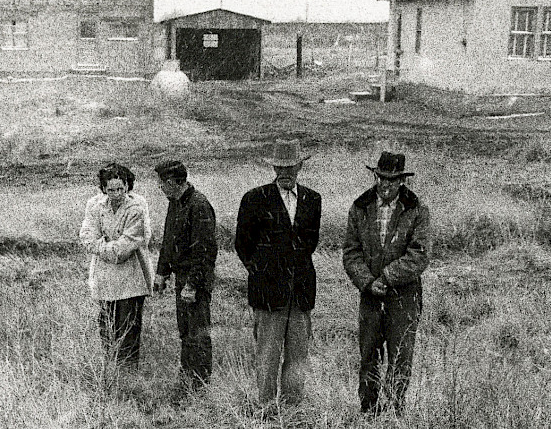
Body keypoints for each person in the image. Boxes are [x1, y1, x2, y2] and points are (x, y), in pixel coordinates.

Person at [342, 151, 431, 414]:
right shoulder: (360, 207)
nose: (385, 184)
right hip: (370, 294)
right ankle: (369, 411)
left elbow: (420, 254)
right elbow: (351, 252)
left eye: (392, 180)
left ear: (402, 181)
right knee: (369, 355)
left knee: (401, 355)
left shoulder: (417, 209)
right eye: (381, 178)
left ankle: (396, 411)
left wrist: (388, 277)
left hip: (404, 296)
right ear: (375, 176)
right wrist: (368, 282)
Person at [235, 139, 322, 407]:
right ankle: (265, 409)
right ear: (273, 166)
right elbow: (242, 244)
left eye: (291, 166)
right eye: (280, 166)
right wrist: (263, 272)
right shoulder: (254, 198)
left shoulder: (312, 199)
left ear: (300, 166)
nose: (285, 172)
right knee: (268, 355)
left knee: (298, 356)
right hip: (267, 292)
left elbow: (310, 243)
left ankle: (293, 411)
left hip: (301, 291)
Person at [79, 162, 154, 367]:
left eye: (120, 188)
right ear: (103, 188)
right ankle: (111, 367)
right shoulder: (95, 205)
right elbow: (86, 237)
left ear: (128, 186)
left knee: (128, 326)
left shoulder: (137, 206)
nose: (116, 193)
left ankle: (128, 371)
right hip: (104, 277)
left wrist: (103, 246)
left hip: (132, 276)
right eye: (111, 189)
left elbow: (128, 245)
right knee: (107, 325)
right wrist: (108, 248)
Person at [153, 159, 218, 392]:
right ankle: (187, 380)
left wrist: (192, 284)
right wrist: (161, 273)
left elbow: (205, 251)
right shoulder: (175, 202)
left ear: (171, 182)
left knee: (198, 333)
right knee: (185, 332)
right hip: (182, 279)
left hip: (196, 281)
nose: (160, 187)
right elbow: (169, 241)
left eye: (161, 183)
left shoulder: (199, 205)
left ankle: (200, 385)